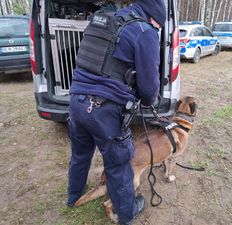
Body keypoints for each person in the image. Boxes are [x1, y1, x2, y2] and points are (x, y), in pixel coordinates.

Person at [66, 0, 166, 224]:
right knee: (119, 164)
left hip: (76, 101)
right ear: (153, 18)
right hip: (104, 112)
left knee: (80, 154)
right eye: (159, 26)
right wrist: (150, 100)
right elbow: (149, 90)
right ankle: (126, 213)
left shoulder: (105, 20)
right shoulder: (145, 31)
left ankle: (73, 197)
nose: (157, 30)